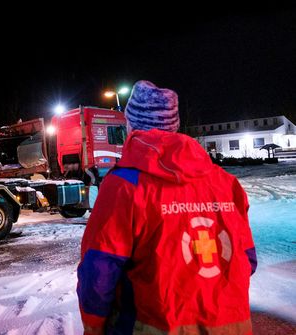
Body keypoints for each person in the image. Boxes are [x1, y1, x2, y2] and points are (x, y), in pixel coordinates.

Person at [77, 80, 257, 334]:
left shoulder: (124, 186)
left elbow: (99, 270)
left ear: (132, 126)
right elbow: (247, 260)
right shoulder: (226, 183)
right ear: (174, 126)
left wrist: (93, 327)